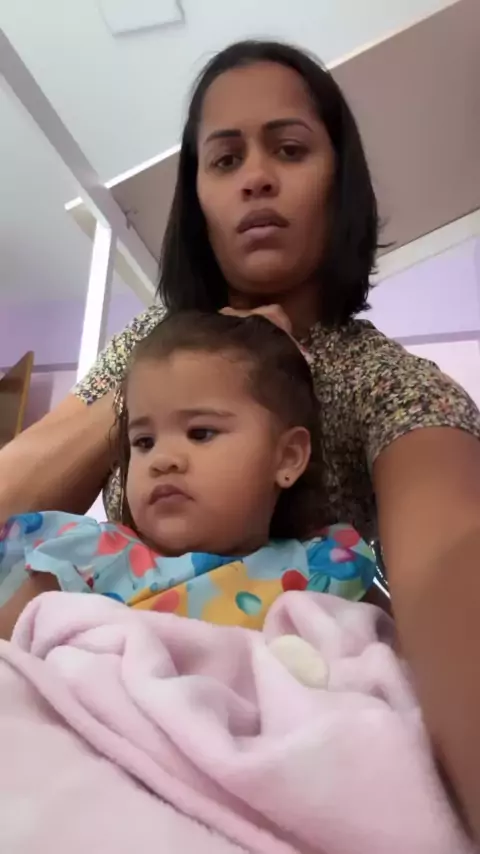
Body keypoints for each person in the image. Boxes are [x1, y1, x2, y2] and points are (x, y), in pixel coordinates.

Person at [1, 38, 480, 837]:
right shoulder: (144, 346)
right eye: (224, 160)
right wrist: (176, 374)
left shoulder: (395, 387)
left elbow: (449, 563)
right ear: (199, 199)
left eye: (289, 149)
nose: (255, 177)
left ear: (340, 182)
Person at [0, 312, 375, 638]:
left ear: (287, 458)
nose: (162, 460)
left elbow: (383, 676)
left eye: (200, 433)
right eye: (144, 442)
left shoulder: (324, 568)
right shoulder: (82, 559)